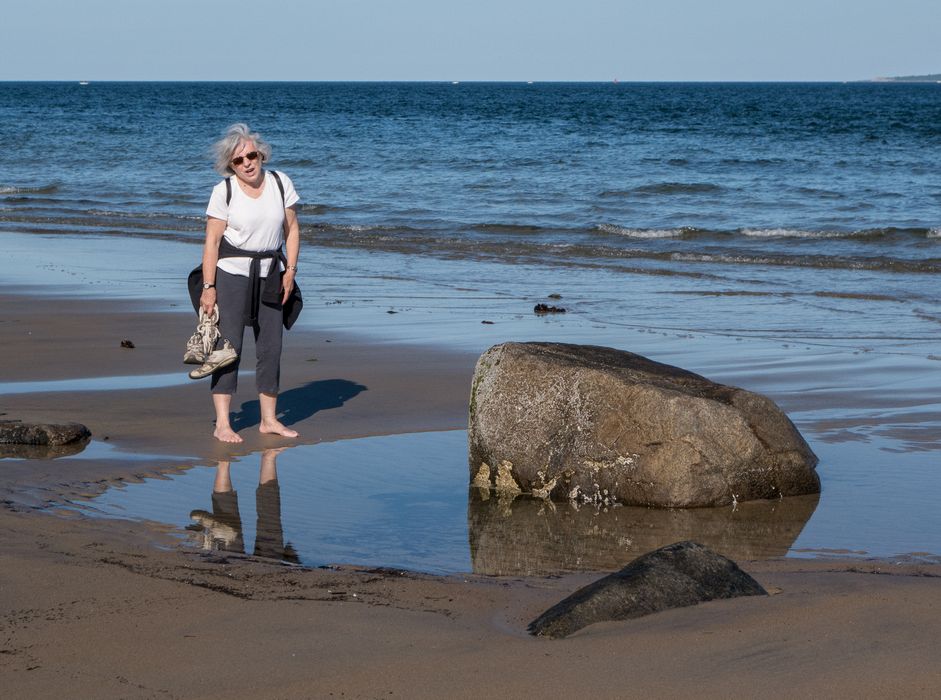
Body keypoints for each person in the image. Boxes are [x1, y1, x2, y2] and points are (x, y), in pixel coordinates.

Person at [199, 123, 301, 443]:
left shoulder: (280, 183)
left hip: (272, 272)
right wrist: (208, 287)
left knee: (271, 347)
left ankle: (269, 420)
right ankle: (223, 423)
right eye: (239, 160)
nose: (247, 163)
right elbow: (212, 243)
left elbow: (293, 230)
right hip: (231, 273)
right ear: (231, 165)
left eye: (251, 155)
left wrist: (291, 271)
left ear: (261, 154)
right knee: (227, 347)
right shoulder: (223, 191)